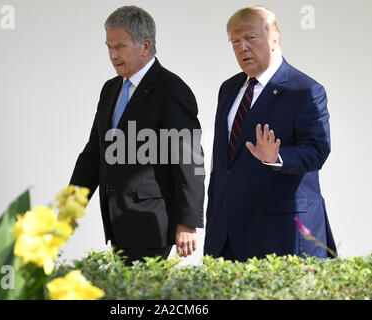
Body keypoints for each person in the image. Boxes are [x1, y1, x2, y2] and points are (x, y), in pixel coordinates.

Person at [70, 6, 204, 266]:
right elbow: (94, 153)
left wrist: (187, 221)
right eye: (108, 47)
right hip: (117, 222)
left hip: (153, 223)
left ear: (145, 45)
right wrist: (71, 205)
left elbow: (190, 160)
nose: (112, 55)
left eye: (119, 46)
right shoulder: (110, 90)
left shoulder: (171, 90)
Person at [204, 6, 337, 261]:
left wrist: (277, 157)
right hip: (225, 234)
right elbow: (224, 166)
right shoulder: (229, 89)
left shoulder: (305, 90)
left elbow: (317, 149)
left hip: (279, 233)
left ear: (274, 39)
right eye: (235, 41)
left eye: (250, 38)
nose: (242, 47)